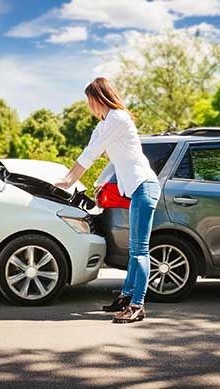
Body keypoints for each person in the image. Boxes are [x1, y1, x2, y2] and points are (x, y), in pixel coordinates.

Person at [54, 77, 161, 324]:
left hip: (145, 186)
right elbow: (100, 155)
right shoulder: (104, 125)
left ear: (99, 97)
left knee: (140, 251)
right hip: (137, 189)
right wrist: (79, 180)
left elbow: (91, 154)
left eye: (90, 100)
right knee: (135, 250)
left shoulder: (118, 118)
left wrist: (69, 181)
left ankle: (137, 305)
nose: (89, 106)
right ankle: (126, 297)